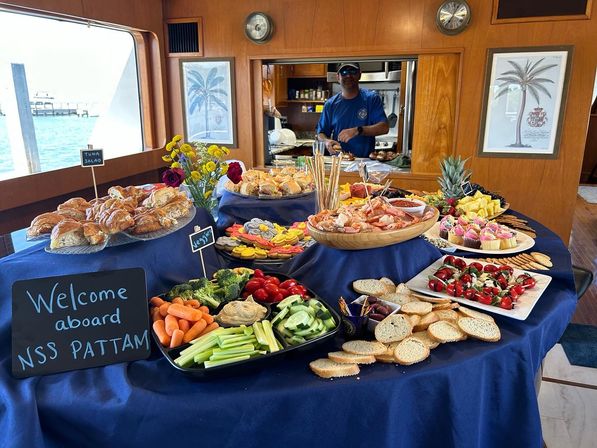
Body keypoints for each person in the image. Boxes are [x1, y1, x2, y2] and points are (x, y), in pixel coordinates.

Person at [316, 62, 389, 157]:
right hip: (339, 161)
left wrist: (358, 130)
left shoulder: (371, 99)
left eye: (353, 71)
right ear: (338, 77)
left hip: (365, 162)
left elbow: (384, 127)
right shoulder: (330, 104)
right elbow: (320, 133)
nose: (348, 76)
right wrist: (326, 141)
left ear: (359, 74)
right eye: (344, 72)